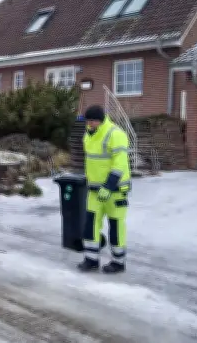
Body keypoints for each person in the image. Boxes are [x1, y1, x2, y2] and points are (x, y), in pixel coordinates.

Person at [77, 105, 131, 274]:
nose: (89, 124)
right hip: (94, 190)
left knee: (115, 226)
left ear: (100, 120)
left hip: (115, 191)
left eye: (92, 121)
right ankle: (91, 259)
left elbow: (120, 164)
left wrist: (109, 186)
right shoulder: (88, 135)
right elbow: (92, 161)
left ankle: (118, 262)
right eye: (88, 121)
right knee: (90, 225)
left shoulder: (116, 134)